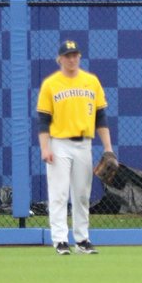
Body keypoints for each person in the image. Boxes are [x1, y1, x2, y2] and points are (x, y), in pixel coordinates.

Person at [37, 39, 113, 255]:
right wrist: (45, 147)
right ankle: (60, 240)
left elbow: (101, 117)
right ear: (60, 59)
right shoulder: (51, 84)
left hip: (84, 145)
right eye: (67, 56)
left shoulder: (91, 81)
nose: (71, 59)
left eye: (75, 55)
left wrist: (108, 148)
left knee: (81, 194)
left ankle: (82, 239)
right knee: (59, 193)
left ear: (79, 57)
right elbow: (43, 120)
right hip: (59, 144)